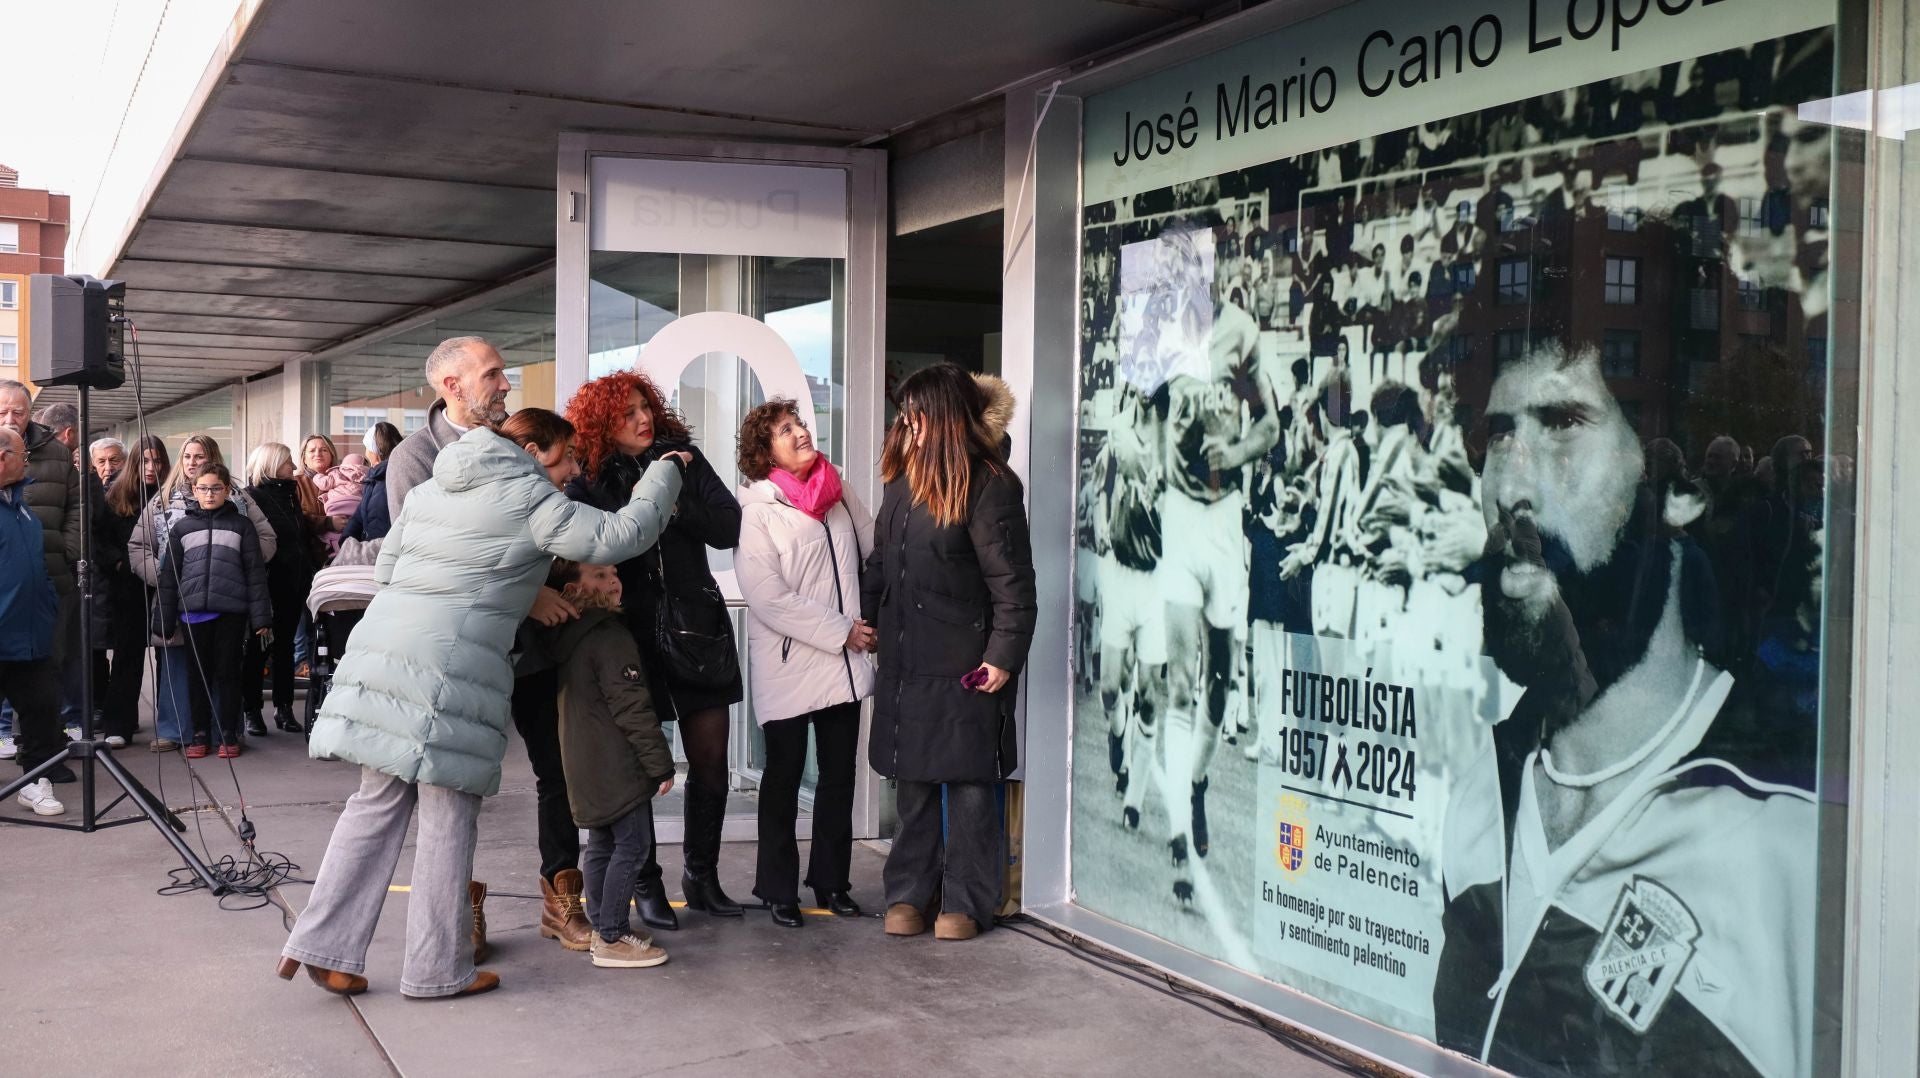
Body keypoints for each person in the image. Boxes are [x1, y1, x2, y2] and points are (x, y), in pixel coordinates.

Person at [1433, 342, 1817, 1075]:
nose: (1510, 485)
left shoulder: (1791, 842)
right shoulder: (1482, 794)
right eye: (1499, 436)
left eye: (1563, 424)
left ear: (1680, 495)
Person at [277, 408, 684, 1000]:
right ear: (534, 453)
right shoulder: (530, 498)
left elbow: (387, 567)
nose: (573, 471)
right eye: (568, 457)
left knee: (374, 805)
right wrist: (664, 472)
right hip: (451, 673)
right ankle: (436, 969)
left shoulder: (432, 489)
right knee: (448, 818)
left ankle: (319, 945)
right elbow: (622, 534)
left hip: (386, 660)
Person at [860, 364, 1036, 942]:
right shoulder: (901, 481)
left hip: (966, 664)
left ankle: (965, 902)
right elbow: (881, 562)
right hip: (907, 660)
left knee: (968, 785)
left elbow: (1013, 585)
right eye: (904, 415)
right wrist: (867, 619)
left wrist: (1002, 656)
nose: (906, 424)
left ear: (943, 417)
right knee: (912, 782)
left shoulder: (991, 483)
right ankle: (908, 895)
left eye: (916, 414)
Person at [566, 369, 745, 928]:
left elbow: (728, 526)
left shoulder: (682, 458)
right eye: (627, 413)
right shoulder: (588, 478)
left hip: (697, 630)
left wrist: (670, 496)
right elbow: (591, 545)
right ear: (603, 424)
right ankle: (645, 882)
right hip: (631, 635)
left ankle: (703, 875)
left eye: (646, 407)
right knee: (638, 766)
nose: (643, 419)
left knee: (710, 761)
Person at [383, 337, 540, 955]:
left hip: (499, 650)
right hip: (441, 658)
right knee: (440, 803)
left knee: (459, 801)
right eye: (494, 374)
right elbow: (420, 565)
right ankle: (449, 935)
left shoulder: (509, 446)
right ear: (452, 385)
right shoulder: (414, 457)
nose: (506, 385)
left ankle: (438, 938)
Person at [734, 398, 876, 928]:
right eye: (784, 430)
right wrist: (842, 631)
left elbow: (875, 553)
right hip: (792, 663)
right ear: (765, 452)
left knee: (838, 778)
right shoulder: (758, 513)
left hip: (843, 664)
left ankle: (832, 882)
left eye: (799, 424)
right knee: (783, 779)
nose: (800, 434)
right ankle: (778, 889)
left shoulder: (838, 495)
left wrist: (870, 620)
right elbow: (767, 597)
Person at [526, 559, 674, 969]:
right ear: (573, 590)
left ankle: (604, 928)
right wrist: (659, 763)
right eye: (600, 576)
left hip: (585, 765)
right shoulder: (609, 635)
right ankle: (611, 936)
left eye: (614, 573)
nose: (614, 582)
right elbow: (631, 706)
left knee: (601, 846)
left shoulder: (571, 635)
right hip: (616, 765)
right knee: (633, 845)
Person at [129, 434, 278, 753]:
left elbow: (265, 540)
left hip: (226, 600)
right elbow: (138, 545)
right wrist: (166, 576)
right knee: (177, 667)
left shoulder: (238, 498)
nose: (192, 462)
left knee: (225, 669)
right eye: (187, 456)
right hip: (181, 600)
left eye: (200, 456)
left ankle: (224, 732)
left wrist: (233, 570)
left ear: (214, 459)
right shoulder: (163, 498)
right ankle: (176, 730)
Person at [0, 384, 81, 743]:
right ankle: (7, 733)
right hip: (6, 585)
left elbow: (78, 505)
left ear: (30, 413)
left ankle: (37, 752)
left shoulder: (57, 452)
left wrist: (67, 549)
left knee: (44, 667)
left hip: (50, 575)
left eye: (18, 412)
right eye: (3, 411)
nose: (10, 418)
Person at [0, 426, 68, 816]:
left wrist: (48, 607)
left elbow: (37, 567)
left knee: (42, 709)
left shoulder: (23, 509)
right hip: (2, 632)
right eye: (23, 456)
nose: (28, 463)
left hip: (32, 635)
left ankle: (35, 782)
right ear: (2, 458)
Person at [93, 435, 166, 747]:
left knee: (168, 654)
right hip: (127, 586)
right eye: (145, 461)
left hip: (165, 583)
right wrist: (119, 563)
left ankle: (171, 723)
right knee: (128, 655)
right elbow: (98, 538)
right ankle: (119, 725)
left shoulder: (170, 493)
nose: (151, 468)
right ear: (134, 463)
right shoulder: (116, 494)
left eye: (157, 461)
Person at [244, 443, 323, 734]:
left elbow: (297, 537)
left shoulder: (290, 494)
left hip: (294, 583)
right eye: (288, 461)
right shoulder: (252, 496)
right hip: (266, 585)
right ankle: (252, 710)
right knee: (258, 649)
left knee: (285, 647)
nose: (294, 466)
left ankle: (284, 708)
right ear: (272, 464)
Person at [342, 422, 401, 544]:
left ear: (376, 449)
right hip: (372, 549)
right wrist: (346, 541)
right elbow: (359, 515)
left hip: (380, 551)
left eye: (367, 447)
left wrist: (348, 542)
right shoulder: (373, 478)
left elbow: (380, 524)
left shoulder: (388, 478)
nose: (366, 453)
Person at [314, 451, 368, 557]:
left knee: (334, 529)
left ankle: (334, 549)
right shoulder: (366, 476)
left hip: (336, 505)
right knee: (353, 529)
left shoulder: (336, 473)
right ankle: (349, 551)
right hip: (356, 506)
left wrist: (317, 476)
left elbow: (324, 484)